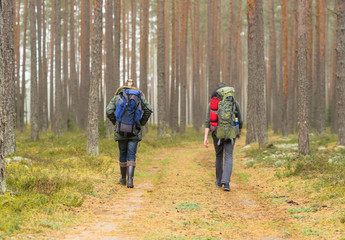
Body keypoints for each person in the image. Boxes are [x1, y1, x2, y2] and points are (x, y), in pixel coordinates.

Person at [106, 79, 152, 188]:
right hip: (134, 130)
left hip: (121, 130)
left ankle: (123, 179)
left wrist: (116, 123)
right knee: (131, 155)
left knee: (122, 153)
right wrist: (141, 123)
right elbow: (149, 110)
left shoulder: (118, 97)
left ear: (124, 86)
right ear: (134, 87)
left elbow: (108, 110)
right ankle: (130, 181)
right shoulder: (139, 96)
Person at [204, 83, 243, 191]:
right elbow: (240, 119)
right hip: (231, 133)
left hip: (217, 134)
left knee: (219, 156)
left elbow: (208, 121)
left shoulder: (213, 103)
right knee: (229, 156)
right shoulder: (234, 102)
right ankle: (226, 183)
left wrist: (205, 137)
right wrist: (238, 131)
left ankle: (219, 181)